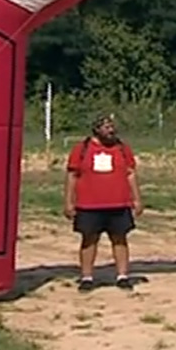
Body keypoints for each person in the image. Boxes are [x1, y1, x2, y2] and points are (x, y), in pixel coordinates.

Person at [64, 115, 143, 292]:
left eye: (112, 127)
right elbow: (72, 175)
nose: (111, 130)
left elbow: (130, 173)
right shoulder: (82, 149)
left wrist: (137, 199)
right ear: (97, 129)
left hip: (119, 203)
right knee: (89, 240)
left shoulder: (122, 148)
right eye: (107, 127)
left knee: (120, 239)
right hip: (89, 204)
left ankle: (122, 276)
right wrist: (69, 201)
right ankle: (87, 277)